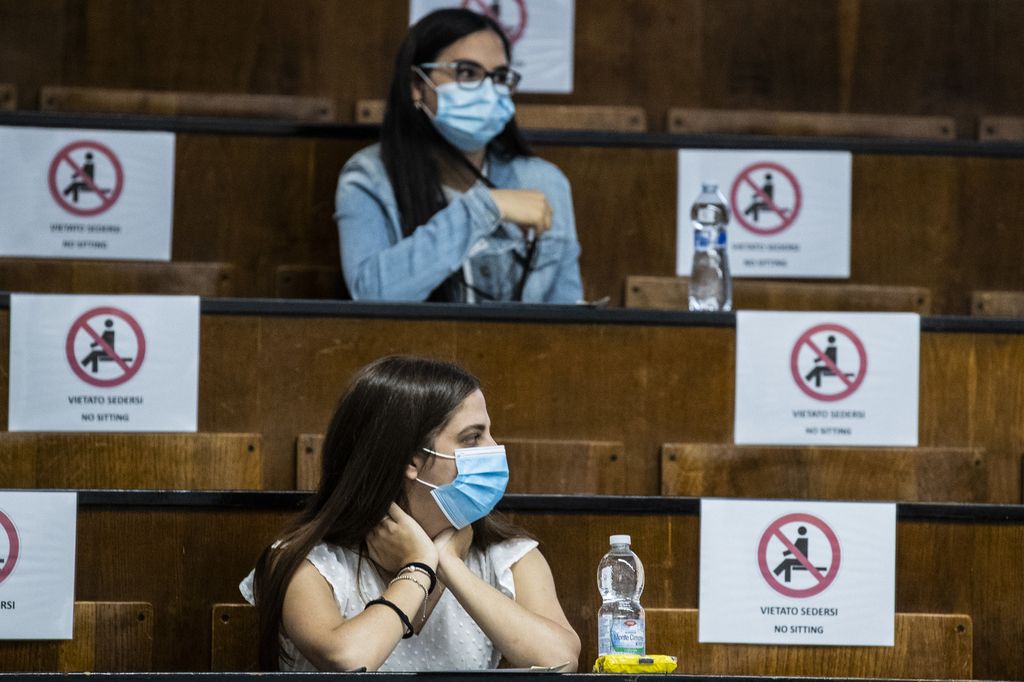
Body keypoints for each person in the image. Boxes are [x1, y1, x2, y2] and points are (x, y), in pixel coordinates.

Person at [240, 356, 580, 671]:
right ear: (410, 460)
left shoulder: (507, 557)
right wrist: (419, 567)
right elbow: (349, 661)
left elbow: (561, 661)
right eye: (472, 437)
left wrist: (448, 564)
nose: (493, 449)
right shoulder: (306, 563)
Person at [334, 9, 584, 303]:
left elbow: (567, 313)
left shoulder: (544, 181)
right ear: (417, 86)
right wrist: (485, 208)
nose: (487, 92)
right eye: (466, 73)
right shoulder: (369, 177)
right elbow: (371, 295)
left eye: (499, 77)